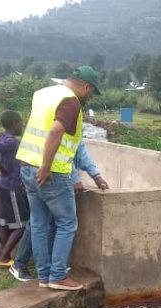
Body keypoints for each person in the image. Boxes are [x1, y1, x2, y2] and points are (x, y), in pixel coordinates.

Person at [16, 66, 101, 291]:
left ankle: (44, 276)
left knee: (39, 223)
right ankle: (57, 275)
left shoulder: (43, 94)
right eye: (91, 92)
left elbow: (39, 128)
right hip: (51, 172)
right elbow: (54, 132)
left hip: (26, 165)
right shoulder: (71, 102)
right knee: (67, 224)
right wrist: (45, 167)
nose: (89, 96)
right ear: (86, 86)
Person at [10, 141, 109, 282]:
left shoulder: (41, 119)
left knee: (41, 223)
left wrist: (95, 175)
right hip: (50, 171)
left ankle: (45, 273)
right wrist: (75, 177)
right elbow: (61, 149)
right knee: (63, 224)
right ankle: (51, 273)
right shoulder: (64, 120)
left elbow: (78, 149)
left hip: (31, 168)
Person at [0, 111, 27, 267]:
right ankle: (2, 257)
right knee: (22, 224)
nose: (22, 125)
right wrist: (2, 167)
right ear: (15, 123)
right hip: (11, 186)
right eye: (21, 123)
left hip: (2, 185)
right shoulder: (10, 141)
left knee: (5, 222)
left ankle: (4, 254)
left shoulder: (2, 137)